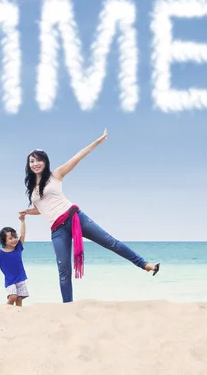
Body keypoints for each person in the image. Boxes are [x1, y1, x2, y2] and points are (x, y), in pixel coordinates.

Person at [19, 128, 160, 303]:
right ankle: (68, 306)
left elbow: (78, 156)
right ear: (29, 165)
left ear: (45, 162)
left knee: (110, 242)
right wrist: (28, 212)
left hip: (74, 217)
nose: (35, 164)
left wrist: (97, 142)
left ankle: (145, 264)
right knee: (64, 270)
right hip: (57, 230)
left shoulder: (56, 175)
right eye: (32, 161)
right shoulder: (33, 189)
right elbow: (42, 208)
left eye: (39, 160)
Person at [0, 213, 29, 306]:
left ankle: (18, 314)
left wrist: (22, 222)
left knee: (19, 298)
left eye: (15, 237)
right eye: (10, 238)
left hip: (20, 279)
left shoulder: (18, 248)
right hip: (10, 280)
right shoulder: (0, 254)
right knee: (13, 297)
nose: (14, 239)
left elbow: (23, 235)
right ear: (4, 241)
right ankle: (5, 311)